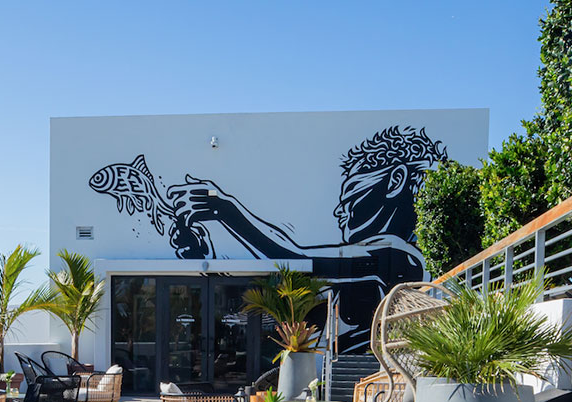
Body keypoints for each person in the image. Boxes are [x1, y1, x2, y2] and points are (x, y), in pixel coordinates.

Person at [165, 126, 449, 353]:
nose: (340, 210)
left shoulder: (401, 256)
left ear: (395, 181)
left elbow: (298, 258)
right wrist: (204, 254)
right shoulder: (357, 275)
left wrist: (226, 211)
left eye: (351, 194)